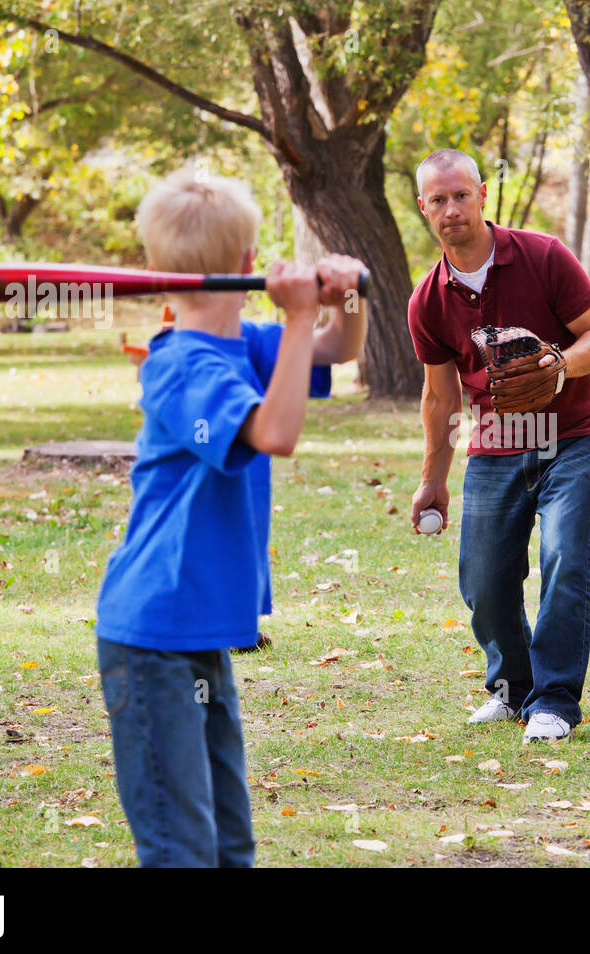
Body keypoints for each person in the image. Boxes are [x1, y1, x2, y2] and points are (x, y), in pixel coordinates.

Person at [94, 166, 366, 866]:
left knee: (229, 842)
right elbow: (274, 434)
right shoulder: (181, 367)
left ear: (157, 270)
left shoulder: (242, 343)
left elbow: (339, 348)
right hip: (155, 637)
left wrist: (346, 297)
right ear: (247, 262)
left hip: (200, 632)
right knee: (183, 846)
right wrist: (302, 314)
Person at [407, 148, 590, 744]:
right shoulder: (428, 299)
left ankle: (553, 700)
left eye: (461, 195)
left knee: (566, 561)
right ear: (425, 209)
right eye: (439, 200)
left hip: (574, 436)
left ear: (482, 195)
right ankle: (511, 688)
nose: (452, 210)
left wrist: (558, 366)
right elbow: (440, 399)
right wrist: (433, 479)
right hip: (498, 444)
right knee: (484, 578)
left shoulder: (544, 255)